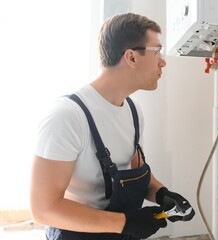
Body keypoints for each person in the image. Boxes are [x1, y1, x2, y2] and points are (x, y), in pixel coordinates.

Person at [30, 12, 195, 240]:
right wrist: (125, 223)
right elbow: (43, 209)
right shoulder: (67, 116)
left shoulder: (134, 111)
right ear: (131, 57)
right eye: (157, 51)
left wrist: (162, 194)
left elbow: (135, 175)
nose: (163, 61)